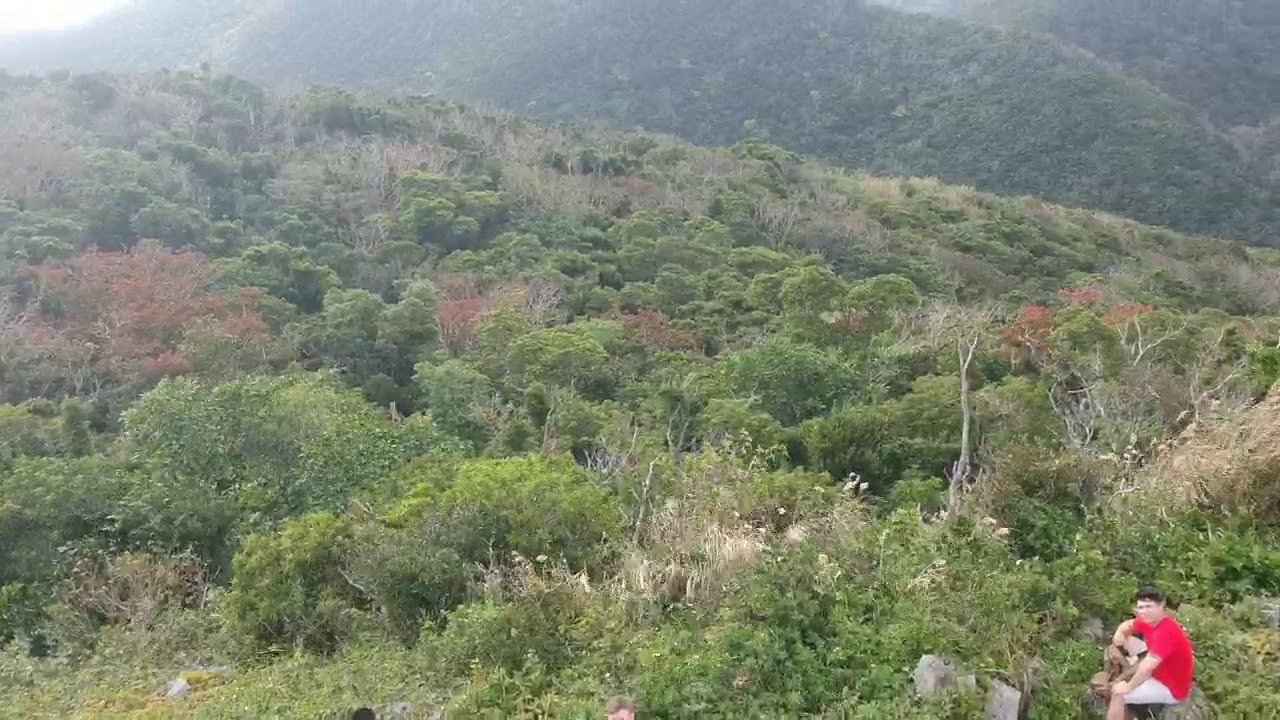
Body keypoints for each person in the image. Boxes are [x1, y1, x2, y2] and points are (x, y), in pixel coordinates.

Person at [1106, 586, 1195, 720]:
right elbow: (1128, 625)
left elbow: (1146, 669)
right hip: (1160, 668)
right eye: (1141, 608)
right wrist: (1120, 634)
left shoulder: (1166, 632)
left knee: (1118, 693)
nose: (1144, 612)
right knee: (1128, 639)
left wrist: (1129, 687)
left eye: (1149, 607)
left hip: (1171, 688)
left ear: (1161, 606)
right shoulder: (1150, 621)